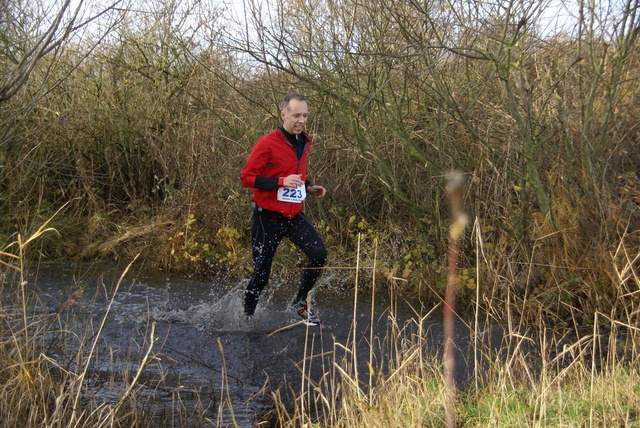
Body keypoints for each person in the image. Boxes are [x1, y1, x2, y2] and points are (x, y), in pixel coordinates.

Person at [239, 93, 327, 325]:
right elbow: (246, 178)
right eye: (297, 115)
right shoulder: (266, 142)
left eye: (305, 115)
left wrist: (308, 186)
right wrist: (280, 181)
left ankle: (300, 304)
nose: (302, 120)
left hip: (293, 214)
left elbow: (296, 172)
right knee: (261, 274)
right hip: (267, 216)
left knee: (318, 254)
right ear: (283, 115)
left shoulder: (305, 141)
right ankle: (246, 318)